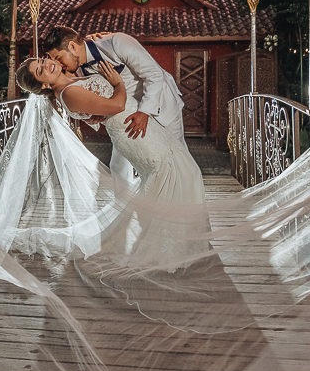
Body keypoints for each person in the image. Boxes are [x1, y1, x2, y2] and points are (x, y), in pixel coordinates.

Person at [16, 54, 209, 267]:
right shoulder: (67, 93)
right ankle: (168, 248)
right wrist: (118, 83)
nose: (47, 65)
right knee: (171, 171)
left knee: (180, 172)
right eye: (41, 70)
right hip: (132, 131)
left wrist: (103, 106)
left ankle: (181, 243)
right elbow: (116, 106)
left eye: (43, 61)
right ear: (43, 83)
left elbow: (103, 105)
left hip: (137, 124)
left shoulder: (71, 81)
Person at [41, 26, 189, 183]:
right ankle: (128, 206)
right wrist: (95, 117)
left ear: (71, 46)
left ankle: (186, 201)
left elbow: (154, 74)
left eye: (58, 58)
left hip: (161, 104)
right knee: (119, 167)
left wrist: (145, 112)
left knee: (179, 159)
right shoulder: (77, 70)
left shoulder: (116, 42)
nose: (59, 64)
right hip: (125, 115)